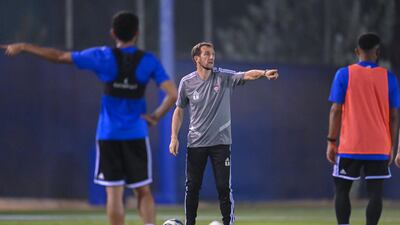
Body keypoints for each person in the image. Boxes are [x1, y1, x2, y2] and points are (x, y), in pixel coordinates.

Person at [1, 11, 177, 225]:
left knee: (114, 195)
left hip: (109, 135)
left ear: (113, 33)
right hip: (136, 134)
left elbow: (59, 56)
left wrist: (24, 47)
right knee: (143, 191)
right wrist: (156, 116)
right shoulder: (148, 61)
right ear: (137, 33)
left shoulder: (102, 57)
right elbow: (173, 94)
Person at [169, 42, 279, 225]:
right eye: (206, 54)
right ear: (196, 59)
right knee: (192, 188)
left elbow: (246, 75)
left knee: (223, 187)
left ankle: (228, 222)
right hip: (195, 143)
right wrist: (174, 137)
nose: (211, 57)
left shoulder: (223, 77)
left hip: (221, 143)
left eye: (212, 54)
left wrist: (265, 73)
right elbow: (179, 110)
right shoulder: (186, 82)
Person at [326, 33, 399, 225]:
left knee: (342, 189)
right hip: (378, 145)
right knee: (375, 193)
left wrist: (331, 141)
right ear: (378, 52)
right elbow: (393, 116)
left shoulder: (344, 74)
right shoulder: (389, 78)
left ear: (357, 51)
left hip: (350, 145)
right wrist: (391, 146)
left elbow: (335, 110)